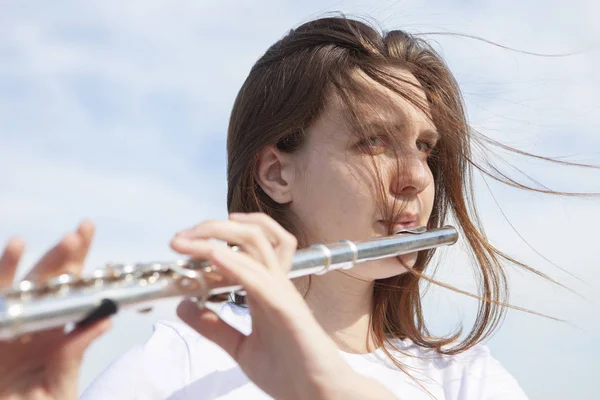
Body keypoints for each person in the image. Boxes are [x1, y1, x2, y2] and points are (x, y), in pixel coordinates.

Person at [5, 14, 587, 399]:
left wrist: (327, 385)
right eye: (374, 141)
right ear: (277, 172)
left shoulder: (465, 380)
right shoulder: (180, 363)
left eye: (426, 148)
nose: (415, 178)